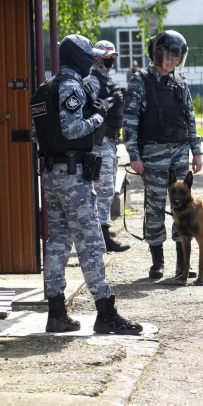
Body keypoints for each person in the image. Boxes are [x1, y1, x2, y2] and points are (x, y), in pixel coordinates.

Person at [30, 34, 142, 335]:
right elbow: (72, 128)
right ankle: (106, 313)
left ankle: (56, 313)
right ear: (77, 57)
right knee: (91, 243)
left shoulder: (43, 89)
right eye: (89, 55)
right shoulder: (70, 87)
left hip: (52, 174)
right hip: (73, 175)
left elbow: (34, 135)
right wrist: (98, 116)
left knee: (57, 243)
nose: (94, 60)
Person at [124, 30, 203, 280]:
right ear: (157, 54)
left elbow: (190, 117)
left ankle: (183, 263)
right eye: (169, 57)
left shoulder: (180, 81)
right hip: (153, 154)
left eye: (177, 58)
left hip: (179, 153)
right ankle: (157, 261)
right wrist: (134, 155)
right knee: (156, 206)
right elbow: (130, 121)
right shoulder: (141, 81)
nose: (173, 62)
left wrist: (196, 151)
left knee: (184, 207)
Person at [84, 39, 131, 254]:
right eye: (105, 58)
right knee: (102, 191)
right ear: (96, 58)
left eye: (112, 58)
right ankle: (101, 239)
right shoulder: (92, 81)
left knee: (107, 190)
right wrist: (111, 101)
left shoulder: (107, 79)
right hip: (99, 143)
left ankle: (102, 236)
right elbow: (90, 109)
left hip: (110, 142)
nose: (109, 62)